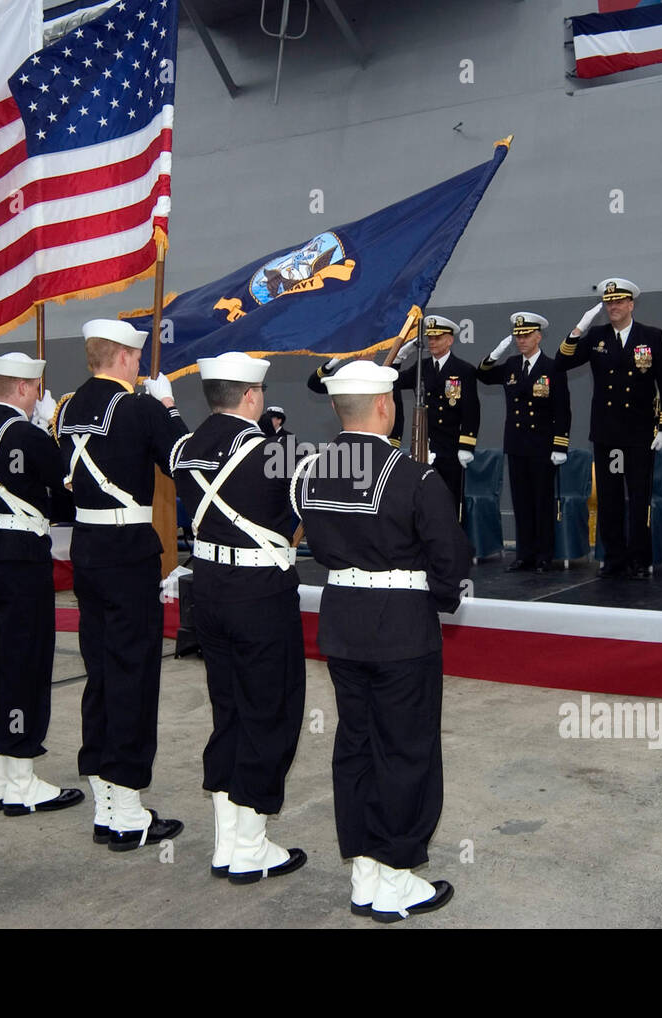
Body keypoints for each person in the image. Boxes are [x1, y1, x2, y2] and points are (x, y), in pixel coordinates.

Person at [293, 358, 470, 922]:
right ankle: (396, 879)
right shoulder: (415, 476)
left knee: (357, 747)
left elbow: (315, 543)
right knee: (405, 750)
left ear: (338, 410)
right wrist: (437, 600)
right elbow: (451, 560)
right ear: (386, 406)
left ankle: (364, 872)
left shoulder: (311, 472)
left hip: (342, 626)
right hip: (401, 630)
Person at [170, 351, 306, 883]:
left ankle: (228, 841)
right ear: (252, 396)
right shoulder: (276, 453)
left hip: (208, 592)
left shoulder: (185, 450)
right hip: (259, 596)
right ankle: (251, 846)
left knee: (228, 711)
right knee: (268, 712)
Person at [55, 318, 186, 850]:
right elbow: (187, 461)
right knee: (133, 676)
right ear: (128, 359)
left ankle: (106, 803)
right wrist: (169, 408)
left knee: (102, 672)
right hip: (129, 554)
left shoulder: (66, 410)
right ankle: (128, 808)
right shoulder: (139, 409)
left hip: (86, 551)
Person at [0, 351, 81, 816]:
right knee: (25, 665)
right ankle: (23, 779)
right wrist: (59, 427)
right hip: (21, 560)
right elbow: (69, 483)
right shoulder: (26, 433)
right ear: (26, 389)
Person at [556, 279, 662, 580]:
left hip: (638, 434)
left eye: (619, 302)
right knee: (609, 498)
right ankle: (613, 558)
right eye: (609, 303)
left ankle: (639, 558)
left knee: (638, 497)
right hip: (608, 434)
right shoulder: (596, 336)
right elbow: (561, 361)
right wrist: (578, 329)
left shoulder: (651, 336)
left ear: (631, 304)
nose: (614, 307)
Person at [477, 312, 571, 572]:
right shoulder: (510, 365)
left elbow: (563, 410)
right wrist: (494, 355)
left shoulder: (552, 368)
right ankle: (524, 554)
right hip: (517, 444)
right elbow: (483, 376)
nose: (521, 340)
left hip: (542, 446)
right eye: (518, 335)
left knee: (542, 501)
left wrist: (560, 445)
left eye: (526, 335)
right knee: (521, 501)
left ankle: (544, 555)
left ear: (538, 336)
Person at [393, 316, 479, 521]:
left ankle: (452, 549)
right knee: (424, 501)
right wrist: (399, 358)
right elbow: (393, 381)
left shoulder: (463, 370)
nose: (432, 342)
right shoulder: (421, 368)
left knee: (450, 501)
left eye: (438, 338)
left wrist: (466, 445)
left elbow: (471, 410)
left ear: (449, 340)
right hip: (424, 446)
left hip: (450, 448)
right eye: (430, 338)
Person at [307, 337, 417, 448]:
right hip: (351, 440)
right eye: (357, 350)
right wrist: (330, 365)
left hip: (378, 440)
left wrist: (393, 444)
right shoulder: (346, 376)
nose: (359, 353)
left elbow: (397, 413)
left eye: (364, 349)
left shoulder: (385, 377)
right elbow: (314, 384)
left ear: (373, 352)